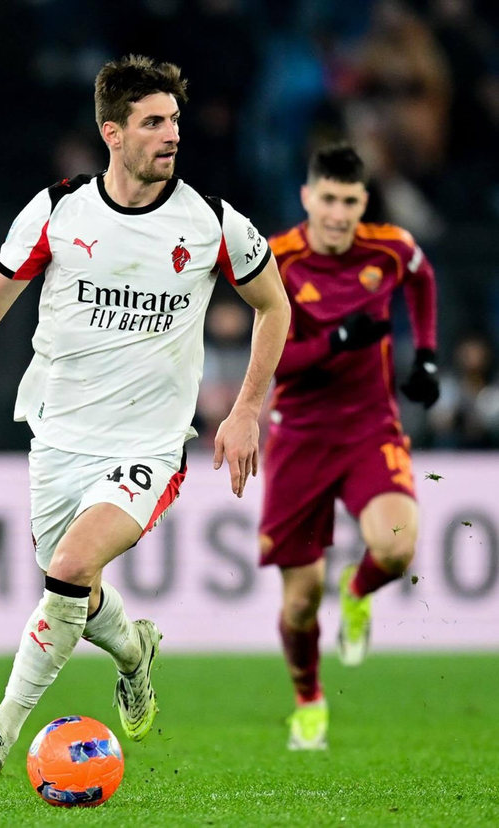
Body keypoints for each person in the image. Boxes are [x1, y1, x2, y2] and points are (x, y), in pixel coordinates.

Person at [0, 55, 290, 782]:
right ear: (113, 132)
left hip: (148, 446)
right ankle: (134, 653)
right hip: (58, 437)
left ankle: (0, 729)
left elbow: (275, 305)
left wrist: (246, 409)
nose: (172, 135)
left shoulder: (211, 223)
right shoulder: (57, 211)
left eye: (175, 121)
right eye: (153, 122)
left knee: (70, 568)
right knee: (72, 586)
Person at [258, 143, 438, 751]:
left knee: (397, 547)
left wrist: (428, 355)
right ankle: (309, 700)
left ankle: (357, 592)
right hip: (299, 438)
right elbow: (274, 362)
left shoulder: (390, 248)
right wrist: (338, 340)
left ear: (364, 203)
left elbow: (423, 278)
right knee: (300, 603)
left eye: (350, 202)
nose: (338, 213)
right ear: (307, 197)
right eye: (328, 199)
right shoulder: (277, 260)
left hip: (369, 429)